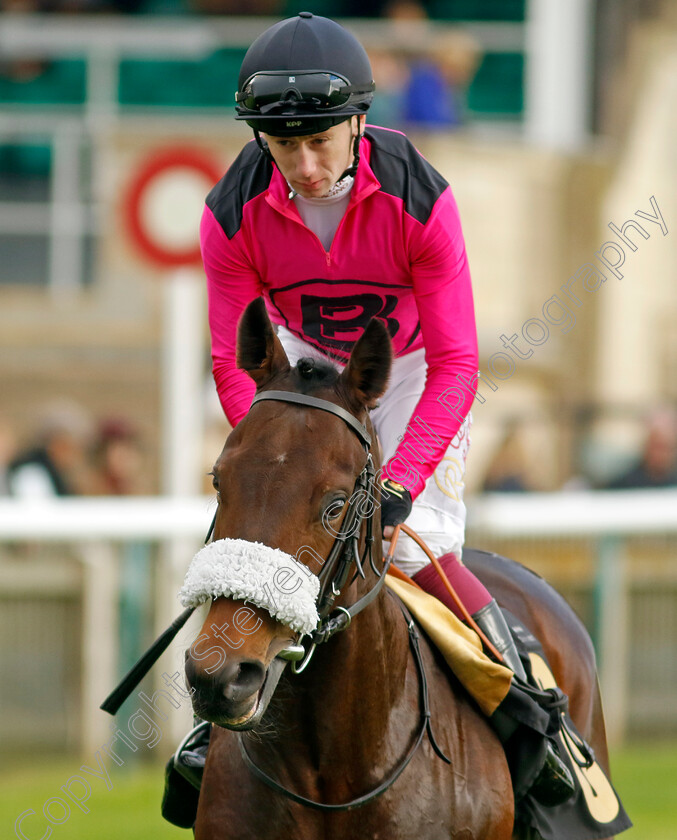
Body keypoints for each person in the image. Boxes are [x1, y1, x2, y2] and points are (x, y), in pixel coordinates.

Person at [199, 12, 573, 807]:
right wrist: (272, 447)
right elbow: (231, 360)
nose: (301, 165)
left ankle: (528, 705)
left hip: (405, 374)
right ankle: (212, 729)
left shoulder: (418, 195)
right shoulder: (229, 210)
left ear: (358, 123)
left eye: (319, 143)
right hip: (296, 377)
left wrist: (397, 485)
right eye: (281, 146)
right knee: (267, 538)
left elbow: (456, 361)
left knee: (411, 547)